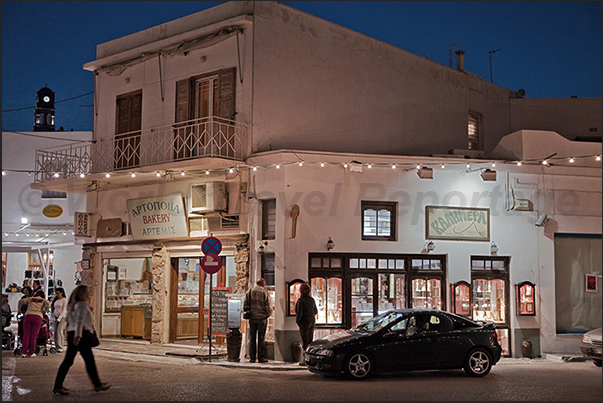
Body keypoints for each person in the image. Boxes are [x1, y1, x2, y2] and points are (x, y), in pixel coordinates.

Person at [53, 285, 110, 395]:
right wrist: (78, 336)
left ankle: (58, 386)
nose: (89, 293)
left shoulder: (72, 305)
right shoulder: (82, 305)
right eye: (87, 292)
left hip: (71, 334)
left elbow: (71, 320)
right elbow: (80, 321)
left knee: (68, 361)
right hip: (81, 335)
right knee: (89, 360)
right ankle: (97, 384)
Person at [243, 278, 272, 363]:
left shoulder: (250, 291)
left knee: (252, 338)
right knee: (261, 338)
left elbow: (245, 304)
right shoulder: (265, 292)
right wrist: (268, 314)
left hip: (252, 318)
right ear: (263, 284)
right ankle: (261, 357)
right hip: (262, 318)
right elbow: (268, 306)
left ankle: (252, 358)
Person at [18, 288, 50, 357]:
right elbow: (48, 304)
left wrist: (19, 310)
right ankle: (31, 352)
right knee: (34, 336)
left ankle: (24, 352)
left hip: (28, 316)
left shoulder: (30, 299)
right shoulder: (43, 300)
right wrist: (44, 311)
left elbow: (21, 301)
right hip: (37, 317)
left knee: (26, 335)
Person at [294, 282, 318, 358]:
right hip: (312, 321)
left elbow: (299, 313)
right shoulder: (312, 300)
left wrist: (298, 322)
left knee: (305, 341)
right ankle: (310, 358)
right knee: (310, 341)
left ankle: (305, 359)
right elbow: (315, 311)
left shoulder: (301, 301)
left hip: (304, 322)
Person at [51, 288, 68, 352]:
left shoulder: (64, 300)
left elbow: (64, 310)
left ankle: (61, 346)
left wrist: (59, 318)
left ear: (62, 293)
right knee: (55, 332)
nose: (57, 295)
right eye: (56, 293)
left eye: (58, 293)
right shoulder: (56, 300)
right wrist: (53, 317)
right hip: (56, 316)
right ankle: (56, 345)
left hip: (63, 317)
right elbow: (54, 309)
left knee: (59, 331)